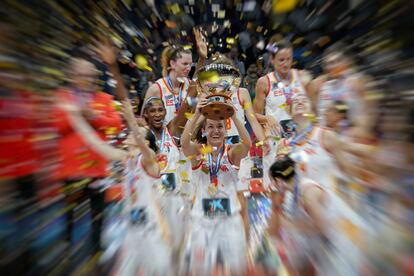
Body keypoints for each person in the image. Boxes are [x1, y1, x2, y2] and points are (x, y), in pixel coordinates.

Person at [179, 97, 252, 275]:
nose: (215, 131)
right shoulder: (198, 152)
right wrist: (196, 114)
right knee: (200, 270)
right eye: (210, 127)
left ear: (226, 130)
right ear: (204, 131)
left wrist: (234, 117)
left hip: (229, 220)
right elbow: (184, 143)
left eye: (219, 127)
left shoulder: (232, 152)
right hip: (202, 221)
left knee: (236, 270)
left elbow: (247, 144)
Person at [308, 43, 376, 138]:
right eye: (329, 63)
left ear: (346, 62)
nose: (332, 66)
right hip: (325, 138)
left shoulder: (358, 82)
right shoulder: (322, 85)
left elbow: (366, 120)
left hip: (351, 138)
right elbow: (316, 115)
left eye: (336, 61)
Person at [143, 29, 207, 125]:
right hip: (164, 138)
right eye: (185, 64)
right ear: (172, 64)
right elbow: (144, 120)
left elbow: (194, 113)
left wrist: (202, 58)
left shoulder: (190, 85)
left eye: (190, 64)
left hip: (186, 137)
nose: (189, 68)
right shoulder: (157, 88)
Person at [253, 36, 312, 139]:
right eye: (281, 60)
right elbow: (254, 115)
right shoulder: (264, 82)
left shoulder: (303, 76)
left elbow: (313, 109)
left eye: (289, 59)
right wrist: (266, 118)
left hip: (300, 139)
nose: (286, 64)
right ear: (272, 60)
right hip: (276, 140)